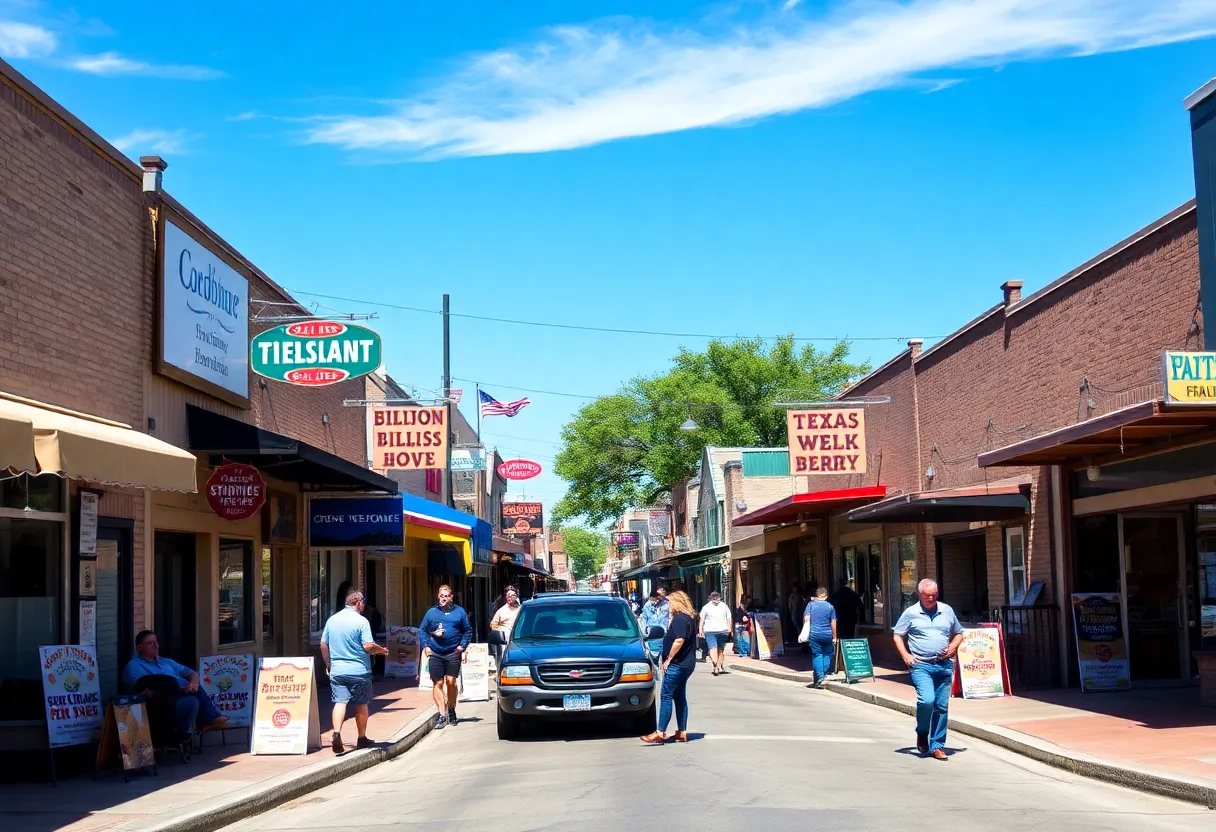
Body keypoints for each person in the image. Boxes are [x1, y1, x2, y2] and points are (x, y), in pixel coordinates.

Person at [892, 579, 964, 761]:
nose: (931, 598)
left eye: (934, 595)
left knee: (941, 706)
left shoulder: (946, 610)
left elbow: (959, 633)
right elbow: (897, 635)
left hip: (943, 664)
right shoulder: (911, 613)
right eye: (927, 596)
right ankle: (922, 731)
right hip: (921, 665)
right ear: (920, 595)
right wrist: (906, 656)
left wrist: (952, 648)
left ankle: (937, 745)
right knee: (927, 700)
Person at [122, 630, 228, 742]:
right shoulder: (134, 666)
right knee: (192, 699)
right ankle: (207, 720)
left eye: (156, 642)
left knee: (195, 691)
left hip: (181, 693)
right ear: (139, 647)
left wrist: (193, 683)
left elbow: (192, 673)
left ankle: (198, 725)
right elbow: (141, 690)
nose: (155, 645)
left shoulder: (166, 662)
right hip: (163, 701)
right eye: (150, 643)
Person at [321, 589, 389, 753]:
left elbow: (323, 644)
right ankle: (362, 737)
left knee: (340, 702)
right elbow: (368, 646)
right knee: (361, 704)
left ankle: (336, 733)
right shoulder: (361, 621)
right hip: (359, 670)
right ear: (358, 603)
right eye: (363, 603)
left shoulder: (332, 620)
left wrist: (328, 663)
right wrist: (382, 650)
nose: (363, 606)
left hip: (337, 671)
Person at [640, 590, 697, 744]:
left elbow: (680, 640)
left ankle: (660, 732)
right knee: (679, 697)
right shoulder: (690, 618)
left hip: (678, 664)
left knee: (666, 696)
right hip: (687, 663)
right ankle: (681, 731)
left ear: (678, 603)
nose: (669, 606)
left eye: (670, 603)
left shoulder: (679, 619)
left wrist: (668, 659)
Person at [419, 584, 473, 729]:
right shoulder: (431, 613)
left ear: (451, 597)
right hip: (436, 652)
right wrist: (426, 645)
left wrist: (462, 646)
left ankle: (451, 708)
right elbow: (422, 630)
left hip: (453, 652)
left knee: (450, 681)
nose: (443, 598)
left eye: (446, 596)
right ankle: (442, 715)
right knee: (438, 683)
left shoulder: (460, 612)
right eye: (441, 596)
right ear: (438, 596)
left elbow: (467, 630)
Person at [802, 588, 838, 687]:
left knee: (817, 654)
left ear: (817, 595)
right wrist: (834, 636)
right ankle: (823, 672)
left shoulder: (811, 605)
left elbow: (806, 618)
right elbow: (833, 623)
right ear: (826, 596)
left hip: (814, 634)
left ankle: (820, 674)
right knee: (828, 653)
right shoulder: (830, 607)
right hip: (827, 634)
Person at [698, 590, 733, 676]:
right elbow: (702, 619)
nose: (715, 598)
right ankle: (717, 666)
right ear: (710, 598)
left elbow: (729, 618)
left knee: (720, 651)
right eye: (713, 597)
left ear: (719, 597)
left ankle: (717, 666)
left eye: (717, 597)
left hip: (723, 631)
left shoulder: (724, 606)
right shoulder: (706, 607)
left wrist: (730, 628)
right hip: (709, 631)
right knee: (712, 648)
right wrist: (700, 630)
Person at [490, 585, 522, 668]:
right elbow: (493, 624)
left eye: (512, 596)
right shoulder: (501, 611)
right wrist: (501, 632)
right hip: (505, 638)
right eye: (508, 596)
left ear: (516, 596)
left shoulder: (521, 609)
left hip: (518, 637)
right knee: (504, 656)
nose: (509, 598)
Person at [640, 587, 671, 657]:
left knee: (663, 654)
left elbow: (670, 617)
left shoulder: (667, 604)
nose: (659, 597)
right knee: (653, 654)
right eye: (658, 595)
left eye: (661, 595)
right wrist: (644, 633)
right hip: (651, 634)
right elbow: (644, 619)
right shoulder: (648, 605)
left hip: (664, 633)